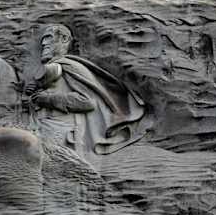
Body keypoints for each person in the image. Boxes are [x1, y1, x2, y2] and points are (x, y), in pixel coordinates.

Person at [22, 24, 147, 157]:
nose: (43, 43)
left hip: (61, 133)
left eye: (48, 37)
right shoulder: (50, 69)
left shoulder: (71, 66)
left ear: (64, 39)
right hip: (40, 127)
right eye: (43, 39)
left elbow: (87, 102)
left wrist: (46, 99)